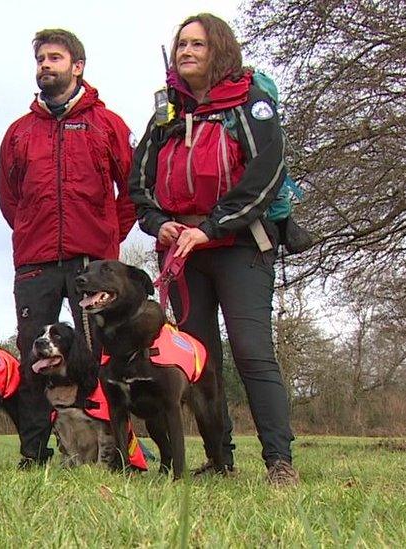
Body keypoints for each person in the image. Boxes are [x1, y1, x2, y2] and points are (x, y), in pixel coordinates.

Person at [128, 13, 298, 485]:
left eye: (197, 44)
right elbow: (139, 184)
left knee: (251, 351)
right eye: (181, 43)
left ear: (218, 49)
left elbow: (266, 174)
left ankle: (279, 462)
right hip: (183, 254)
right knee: (199, 358)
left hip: (242, 244)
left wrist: (212, 226)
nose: (186, 51)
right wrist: (159, 224)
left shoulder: (251, 104)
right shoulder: (166, 115)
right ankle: (219, 460)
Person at [0, 29, 136, 467]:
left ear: (77, 66)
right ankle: (33, 452)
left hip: (91, 264)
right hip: (35, 263)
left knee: (93, 358)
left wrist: (109, 241)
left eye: (54, 58)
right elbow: (8, 196)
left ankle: (108, 451)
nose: (45, 65)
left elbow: (131, 190)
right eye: (40, 58)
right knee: (32, 356)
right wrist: (27, 231)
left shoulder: (107, 124)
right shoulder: (19, 132)